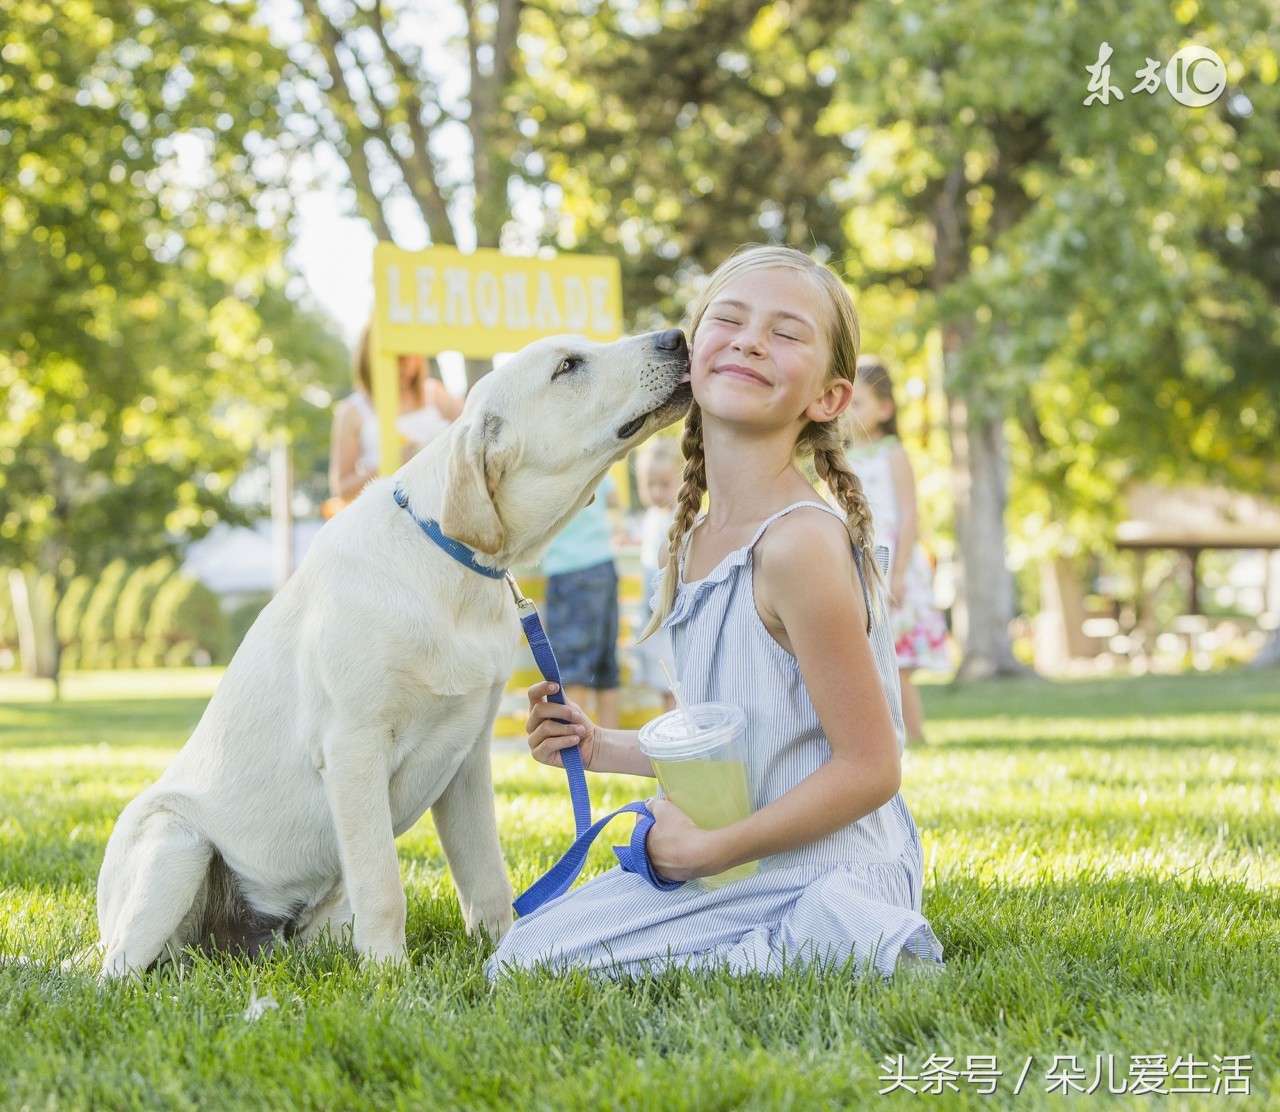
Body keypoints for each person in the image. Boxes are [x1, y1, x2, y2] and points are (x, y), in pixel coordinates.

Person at [489, 245, 943, 979]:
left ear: (829, 398)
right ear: (691, 359)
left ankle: (852, 933)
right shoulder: (689, 543)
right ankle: (800, 943)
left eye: (787, 332)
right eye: (727, 320)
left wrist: (709, 851)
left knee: (534, 965)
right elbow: (732, 743)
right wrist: (600, 744)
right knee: (524, 954)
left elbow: (870, 768)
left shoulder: (800, 545)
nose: (751, 339)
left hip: (832, 859)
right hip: (745, 855)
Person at [845, 357, 950, 745]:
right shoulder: (841, 459)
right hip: (862, 565)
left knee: (897, 660)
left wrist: (901, 571)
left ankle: (917, 735)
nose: (849, 413)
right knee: (869, 658)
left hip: (895, 567)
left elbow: (909, 515)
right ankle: (880, 737)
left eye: (859, 403)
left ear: (884, 409)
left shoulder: (893, 453)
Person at [328, 325, 464, 504]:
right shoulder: (352, 412)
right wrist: (393, 463)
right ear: (372, 356)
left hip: (445, 503)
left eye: (413, 355)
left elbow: (473, 428)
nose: (408, 365)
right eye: (399, 357)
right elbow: (342, 490)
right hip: (390, 512)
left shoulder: (435, 394)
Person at [539, 472, 623, 730]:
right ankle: (610, 743)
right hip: (603, 565)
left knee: (572, 665)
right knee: (605, 664)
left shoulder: (547, 469)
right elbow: (614, 498)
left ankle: (573, 745)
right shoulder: (594, 460)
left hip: (568, 568)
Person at [629, 437, 682, 713]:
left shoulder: (680, 520)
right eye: (650, 485)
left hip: (671, 617)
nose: (657, 491)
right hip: (653, 616)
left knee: (676, 682)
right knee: (664, 683)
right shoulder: (651, 518)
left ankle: (682, 735)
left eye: (664, 484)